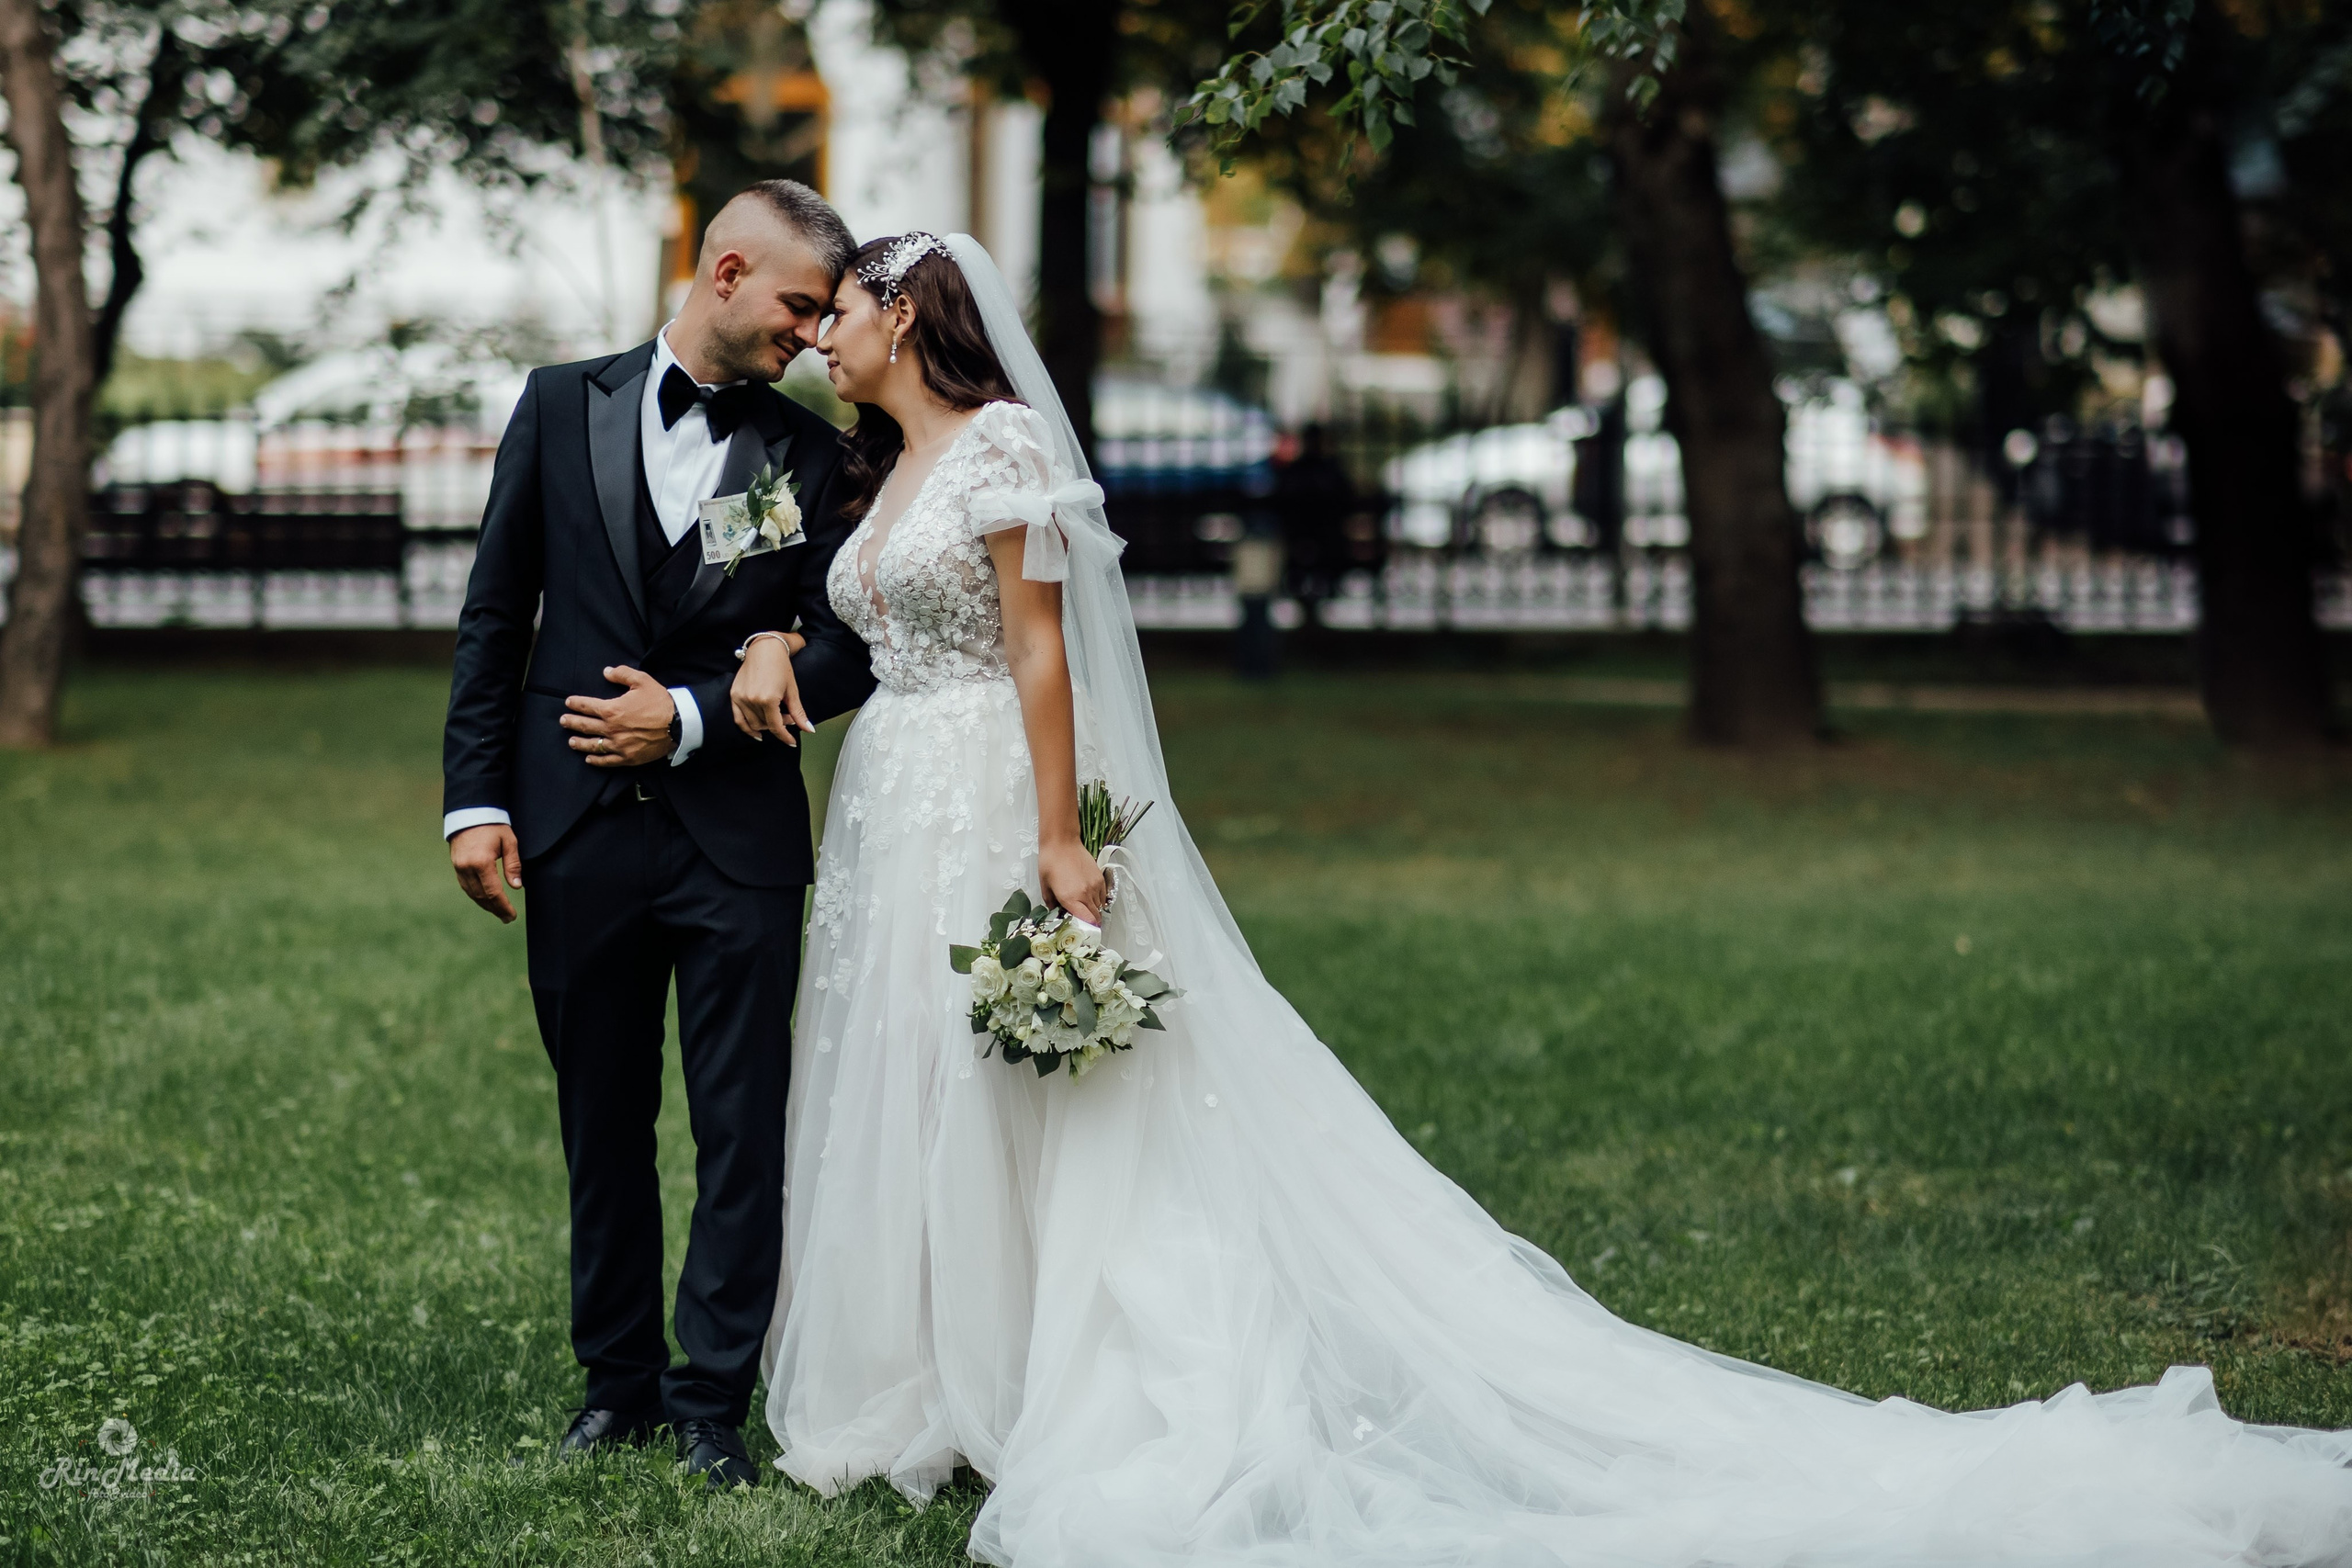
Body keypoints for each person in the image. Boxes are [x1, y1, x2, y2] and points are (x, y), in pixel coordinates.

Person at [737, 231, 2352, 1564]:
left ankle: (1059, 1382)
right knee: (916, 1080)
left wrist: (1062, 836)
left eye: (846, 308)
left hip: (1001, 808)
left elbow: (1040, 650)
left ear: (910, 314)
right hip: (891, 806)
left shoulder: (1008, 447)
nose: (824, 334)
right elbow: (871, 638)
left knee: (1050, 1096)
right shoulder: (882, 473)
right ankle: (940, 1383)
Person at [439, 181, 875, 1490]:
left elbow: (850, 647)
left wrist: (689, 716)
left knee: (743, 1126)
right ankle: (616, 1384)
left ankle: (709, 1403)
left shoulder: (814, 458)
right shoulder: (560, 404)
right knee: (603, 1119)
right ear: (727, 271)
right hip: (572, 825)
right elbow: (493, 612)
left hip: (734, 835)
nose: (812, 333)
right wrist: (476, 801)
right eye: (800, 305)